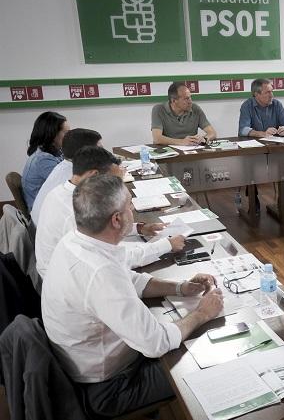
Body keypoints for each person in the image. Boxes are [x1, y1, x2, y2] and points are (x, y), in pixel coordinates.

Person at [41, 174, 224, 418]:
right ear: (117, 220)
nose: (133, 210)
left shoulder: (77, 240)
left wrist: (180, 287)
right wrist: (202, 313)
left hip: (91, 364)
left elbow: (129, 279)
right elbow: (156, 343)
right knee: (210, 363)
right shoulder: (99, 272)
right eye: (129, 204)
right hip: (109, 387)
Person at [35, 146, 185, 280]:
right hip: (66, 281)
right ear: (94, 175)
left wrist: (139, 228)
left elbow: (101, 228)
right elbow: (115, 258)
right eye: (113, 181)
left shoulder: (66, 192)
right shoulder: (73, 210)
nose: (116, 189)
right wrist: (166, 245)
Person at [238, 78, 284, 211]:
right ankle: (253, 199)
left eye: (272, 91)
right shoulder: (247, 105)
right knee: (248, 161)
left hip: (276, 148)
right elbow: (243, 129)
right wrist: (261, 133)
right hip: (255, 149)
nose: (272, 95)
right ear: (257, 94)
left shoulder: (277, 104)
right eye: (268, 92)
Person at [31, 128, 102, 226]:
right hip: (50, 234)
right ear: (86, 154)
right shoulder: (75, 176)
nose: (103, 154)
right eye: (100, 150)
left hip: (39, 227)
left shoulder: (65, 166)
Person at [21, 111, 70, 211]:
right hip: (43, 213)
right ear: (52, 134)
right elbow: (67, 185)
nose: (69, 137)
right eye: (66, 133)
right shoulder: (43, 159)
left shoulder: (53, 152)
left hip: (47, 207)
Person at [151, 82, 218, 145]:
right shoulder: (159, 110)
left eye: (190, 97)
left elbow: (212, 133)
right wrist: (182, 142)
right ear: (174, 101)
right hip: (169, 154)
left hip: (191, 152)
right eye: (186, 99)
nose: (190, 101)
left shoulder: (195, 108)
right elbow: (157, 139)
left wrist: (204, 139)